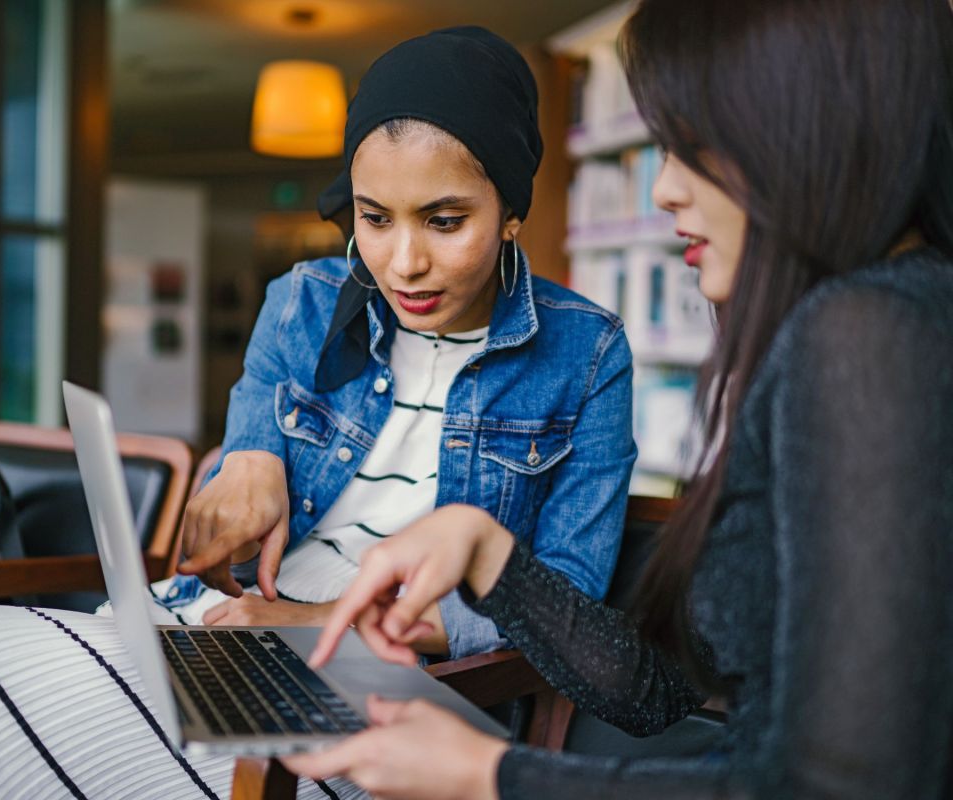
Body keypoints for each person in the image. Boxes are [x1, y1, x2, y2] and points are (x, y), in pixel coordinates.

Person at [0, 26, 637, 800]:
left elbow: (561, 604)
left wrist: (315, 618)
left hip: (401, 685)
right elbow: (235, 497)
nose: (403, 262)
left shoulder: (589, 355)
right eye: (374, 218)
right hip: (225, 626)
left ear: (510, 212)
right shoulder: (302, 301)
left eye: (443, 221)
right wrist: (248, 454)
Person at [283, 0, 953, 797]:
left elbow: (843, 788)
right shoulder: (869, 323)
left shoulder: (869, 333)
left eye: (693, 146)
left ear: (811, 124)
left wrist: (487, 775)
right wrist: (487, 552)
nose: (666, 189)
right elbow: (655, 694)